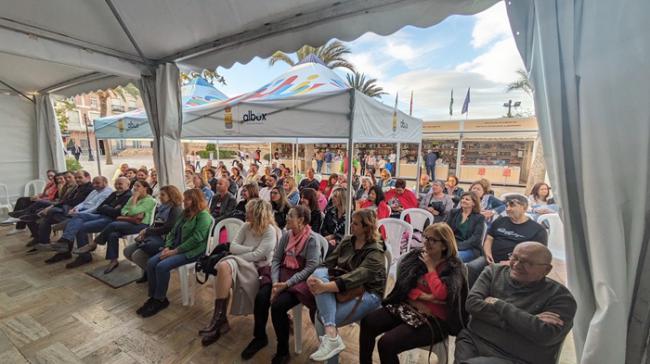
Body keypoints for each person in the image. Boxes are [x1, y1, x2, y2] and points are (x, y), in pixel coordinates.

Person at [359, 223, 469, 364]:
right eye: (425, 238)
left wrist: (430, 268)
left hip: (435, 320)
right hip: (409, 308)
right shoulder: (416, 258)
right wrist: (424, 297)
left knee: (386, 344)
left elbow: (442, 294)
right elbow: (405, 286)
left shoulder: (454, 266)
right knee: (368, 322)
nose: (426, 243)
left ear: (444, 245)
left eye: (432, 240)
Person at [455, 242, 577, 364]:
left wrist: (499, 304)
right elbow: (472, 304)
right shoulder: (493, 272)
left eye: (527, 262)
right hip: (474, 340)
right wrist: (527, 319)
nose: (517, 265)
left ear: (547, 269)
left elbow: (546, 335)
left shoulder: (561, 297)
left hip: (517, 357)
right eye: (514, 257)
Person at [240, 205, 321, 362]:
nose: (287, 218)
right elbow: (276, 259)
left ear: (301, 220)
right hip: (281, 274)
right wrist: (276, 283)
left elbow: (310, 268)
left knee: (277, 306)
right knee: (261, 298)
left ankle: (283, 351)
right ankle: (260, 337)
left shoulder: (312, 240)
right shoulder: (287, 234)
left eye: (291, 215)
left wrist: (286, 285)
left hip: (300, 280)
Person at [307, 209, 387, 361]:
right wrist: (313, 277)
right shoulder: (347, 241)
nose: (351, 226)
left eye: (355, 224)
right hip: (345, 284)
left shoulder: (376, 252)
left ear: (366, 227)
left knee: (322, 316)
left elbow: (355, 277)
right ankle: (332, 339)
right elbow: (328, 263)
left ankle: (331, 344)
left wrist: (323, 287)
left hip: (369, 292)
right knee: (318, 275)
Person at [200, 199, 278, 346]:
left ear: (257, 214)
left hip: (257, 268)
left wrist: (245, 253)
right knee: (224, 266)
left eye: (249, 211)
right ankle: (218, 319)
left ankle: (220, 323)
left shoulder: (270, 231)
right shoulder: (246, 226)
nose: (245, 213)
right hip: (241, 260)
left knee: (226, 264)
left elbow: (257, 257)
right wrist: (251, 249)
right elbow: (233, 247)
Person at [136, 188, 212, 317]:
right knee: (151, 262)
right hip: (176, 247)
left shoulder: (203, 216)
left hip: (192, 251)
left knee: (161, 266)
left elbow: (196, 239)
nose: (184, 201)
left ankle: (160, 299)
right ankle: (154, 297)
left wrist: (175, 251)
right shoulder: (185, 213)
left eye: (187, 198)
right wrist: (168, 246)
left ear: (195, 200)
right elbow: (172, 232)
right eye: (184, 198)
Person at [48, 177, 132, 269]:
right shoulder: (114, 193)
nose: (117, 186)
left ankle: (83, 256)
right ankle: (66, 239)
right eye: (116, 184)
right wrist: (110, 208)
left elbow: (117, 213)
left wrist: (107, 207)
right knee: (78, 216)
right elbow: (100, 207)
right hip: (100, 215)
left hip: (111, 220)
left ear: (128, 185)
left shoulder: (128, 196)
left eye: (120, 184)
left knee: (80, 226)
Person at [76, 181, 156, 274]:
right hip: (129, 222)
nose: (135, 188)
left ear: (145, 188)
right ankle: (113, 261)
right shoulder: (132, 198)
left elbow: (133, 210)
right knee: (112, 234)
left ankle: (94, 243)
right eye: (134, 186)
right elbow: (123, 211)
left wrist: (134, 199)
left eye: (138, 186)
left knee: (113, 224)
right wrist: (132, 213)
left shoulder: (149, 200)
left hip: (141, 225)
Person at [468, 195, 548, 286]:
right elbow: (489, 238)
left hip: (517, 265)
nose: (507, 209)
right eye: (507, 206)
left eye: (512, 205)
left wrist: (512, 262)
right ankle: (470, 295)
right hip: (491, 259)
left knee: (499, 277)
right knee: (472, 267)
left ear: (524, 208)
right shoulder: (500, 221)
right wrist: (487, 253)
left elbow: (537, 255)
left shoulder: (538, 230)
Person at [33, 174, 110, 251]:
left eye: (97, 183)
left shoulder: (107, 193)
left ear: (105, 182)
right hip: (80, 210)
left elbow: (96, 208)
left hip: (93, 213)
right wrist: (75, 209)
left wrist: (79, 213)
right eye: (94, 183)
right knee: (51, 216)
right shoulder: (94, 191)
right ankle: (49, 241)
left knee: (73, 219)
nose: (95, 185)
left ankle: (65, 237)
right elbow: (84, 202)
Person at [124, 185, 183, 282]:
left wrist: (147, 231)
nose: (160, 197)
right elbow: (155, 224)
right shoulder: (161, 208)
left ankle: (153, 276)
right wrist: (145, 232)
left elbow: (167, 229)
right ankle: (149, 272)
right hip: (154, 237)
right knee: (127, 251)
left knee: (137, 256)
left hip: (166, 240)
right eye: (160, 194)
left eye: (163, 195)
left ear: (171, 196)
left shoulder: (176, 209)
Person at [445, 192, 486, 263]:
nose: (463, 200)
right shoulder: (453, 212)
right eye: (462, 198)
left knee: (453, 257)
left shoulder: (479, 218)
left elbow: (475, 239)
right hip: (451, 244)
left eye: (467, 199)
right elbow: (445, 229)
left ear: (473, 203)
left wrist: (457, 247)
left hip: (469, 248)